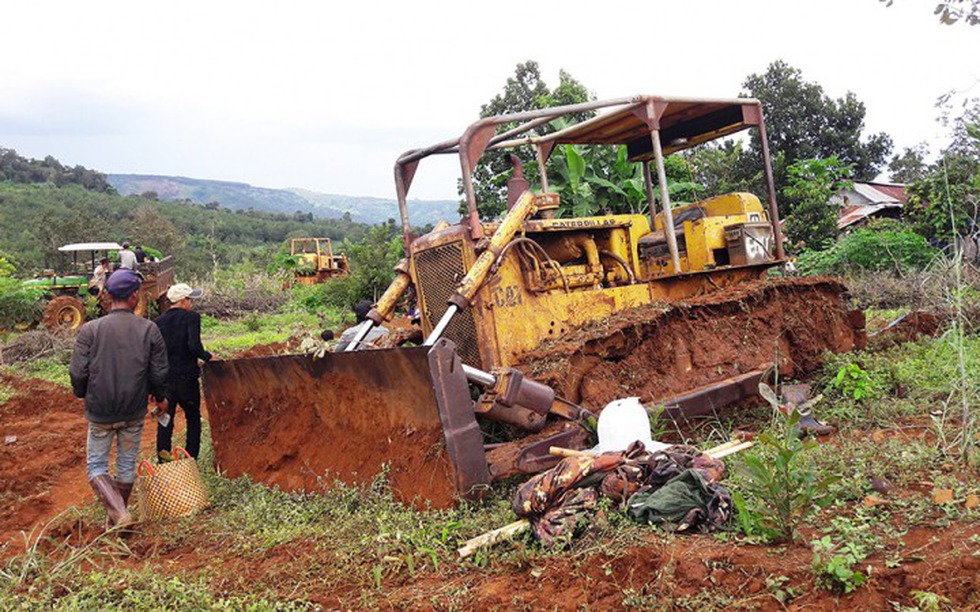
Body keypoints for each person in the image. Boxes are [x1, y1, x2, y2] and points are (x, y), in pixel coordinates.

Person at [69, 269, 169, 529]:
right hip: (133, 409)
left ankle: (119, 516)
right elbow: (159, 372)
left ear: (108, 296)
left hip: (100, 409)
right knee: (126, 463)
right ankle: (118, 518)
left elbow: (77, 372)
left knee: (96, 466)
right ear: (135, 296)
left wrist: (83, 394)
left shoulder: (89, 330)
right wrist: (160, 398)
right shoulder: (150, 329)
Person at [153, 283, 212, 460]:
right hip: (187, 378)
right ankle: (190, 458)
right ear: (183, 301)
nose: (191, 303)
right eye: (190, 299)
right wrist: (208, 357)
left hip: (166, 381)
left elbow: (155, 354)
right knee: (193, 418)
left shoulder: (157, 322)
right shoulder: (191, 318)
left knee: (165, 419)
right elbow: (194, 346)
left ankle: (164, 460)